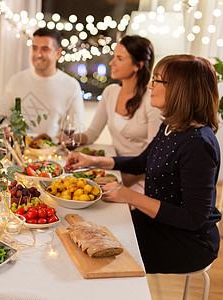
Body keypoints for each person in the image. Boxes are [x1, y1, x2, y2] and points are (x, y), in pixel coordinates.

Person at [65, 55, 221, 274]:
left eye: (157, 80)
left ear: (180, 88)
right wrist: (94, 160)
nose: (150, 85)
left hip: (186, 241)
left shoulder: (198, 144)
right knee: (89, 226)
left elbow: (194, 219)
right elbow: (141, 162)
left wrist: (129, 196)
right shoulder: (170, 126)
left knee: (96, 249)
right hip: (157, 224)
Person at [79, 35, 162, 190]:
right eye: (113, 57)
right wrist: (69, 139)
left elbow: (153, 158)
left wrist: (121, 183)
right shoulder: (110, 92)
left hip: (141, 177)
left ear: (138, 65)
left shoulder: (151, 101)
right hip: (114, 169)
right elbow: (92, 133)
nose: (112, 63)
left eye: (119, 58)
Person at [3, 28, 84, 140]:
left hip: (54, 152)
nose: (38, 55)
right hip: (19, 151)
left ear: (58, 53)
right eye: (35, 48)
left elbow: (78, 127)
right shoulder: (15, 81)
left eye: (45, 49)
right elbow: (5, 118)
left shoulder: (71, 85)